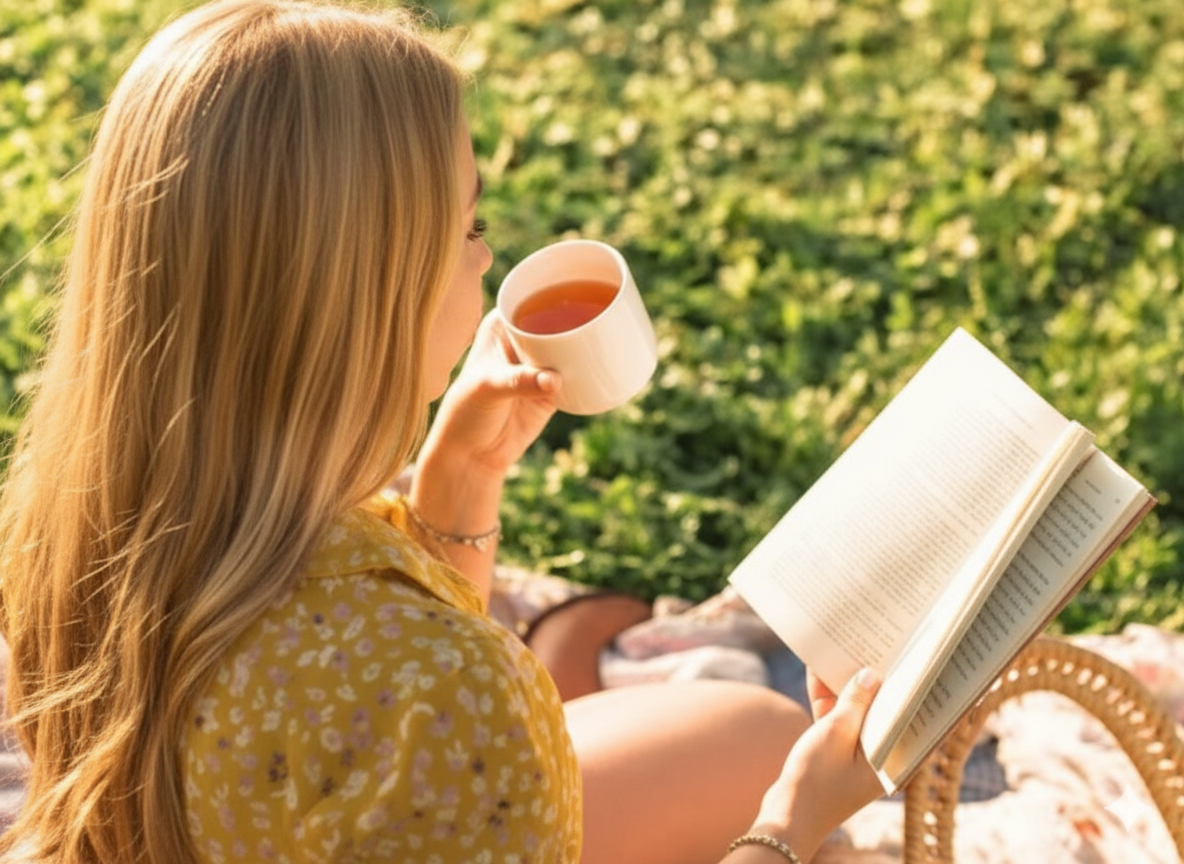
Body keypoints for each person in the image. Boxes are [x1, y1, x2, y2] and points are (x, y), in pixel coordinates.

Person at [0, 1, 884, 862]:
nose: (487, 256)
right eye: (468, 227)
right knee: (784, 783)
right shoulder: (447, 694)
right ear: (363, 298)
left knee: (752, 734)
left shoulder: (68, 527)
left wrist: (462, 478)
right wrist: (789, 829)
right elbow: (418, 697)